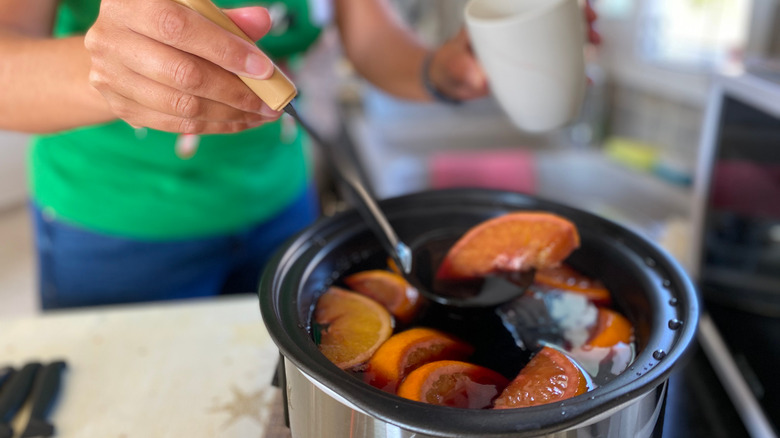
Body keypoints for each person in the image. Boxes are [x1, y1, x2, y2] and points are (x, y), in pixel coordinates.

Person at [0, 0, 598, 310]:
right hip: (116, 226)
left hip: (282, 210)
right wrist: (104, 72)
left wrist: (441, 71)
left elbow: (370, 37)